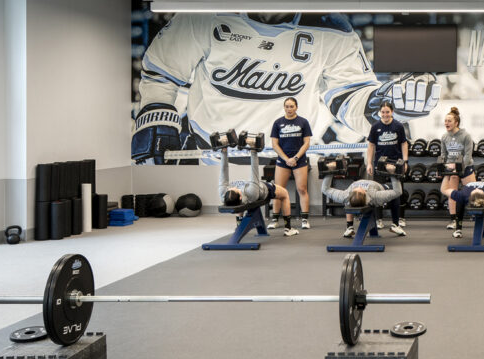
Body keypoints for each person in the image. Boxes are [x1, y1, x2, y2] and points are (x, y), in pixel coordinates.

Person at [132, 12, 440, 164]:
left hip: (290, 162)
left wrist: (382, 106)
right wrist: (157, 118)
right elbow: (161, 72)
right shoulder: (204, 14)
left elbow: (350, 98)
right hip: (206, 156)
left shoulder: (331, 30)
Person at [365, 101, 409, 235]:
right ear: (380, 113)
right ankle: (379, 219)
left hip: (395, 164)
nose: (385, 114)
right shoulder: (375, 127)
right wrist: (369, 163)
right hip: (380, 165)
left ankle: (398, 220)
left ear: (392, 112)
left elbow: (404, 143)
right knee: (377, 193)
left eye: (387, 112)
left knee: (397, 192)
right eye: (383, 112)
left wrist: (405, 161)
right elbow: (371, 146)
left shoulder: (398, 126)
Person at [270, 96, 312, 229]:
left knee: (302, 189)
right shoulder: (277, 123)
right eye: (287, 106)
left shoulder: (303, 122)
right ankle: (275, 219)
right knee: (278, 191)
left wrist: (295, 158)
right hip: (283, 161)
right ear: (284, 107)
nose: (289, 109)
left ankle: (304, 220)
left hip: (299, 161)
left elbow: (306, 143)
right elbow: (275, 144)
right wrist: (286, 159)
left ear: (296, 107)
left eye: (291, 106)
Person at [321, 177, 405, 238]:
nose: (359, 187)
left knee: (346, 199)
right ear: (365, 194)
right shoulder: (375, 196)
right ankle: (395, 224)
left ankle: (349, 226)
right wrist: (393, 174)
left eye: (356, 189)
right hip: (379, 187)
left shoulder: (346, 195)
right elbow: (398, 191)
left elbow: (325, 189)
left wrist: (329, 172)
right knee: (395, 196)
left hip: (350, 197)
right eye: (360, 189)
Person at [437, 106, 478, 231]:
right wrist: (444, 168)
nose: (446, 123)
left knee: (474, 194)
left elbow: (467, 156)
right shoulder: (444, 137)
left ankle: (479, 218)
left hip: (466, 168)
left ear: (456, 122)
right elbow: (443, 155)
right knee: (452, 194)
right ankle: (454, 220)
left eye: (449, 121)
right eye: (445, 121)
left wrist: (458, 167)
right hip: (451, 170)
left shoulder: (466, 136)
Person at [220, 179, 297, 236]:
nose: (231, 188)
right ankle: (288, 228)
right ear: (240, 196)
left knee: (237, 202)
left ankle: (239, 228)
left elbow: (233, 198)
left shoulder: (229, 195)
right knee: (285, 194)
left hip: (256, 187)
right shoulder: (244, 195)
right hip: (262, 188)